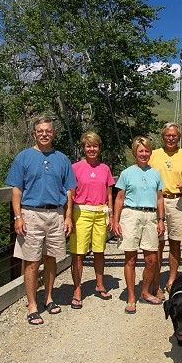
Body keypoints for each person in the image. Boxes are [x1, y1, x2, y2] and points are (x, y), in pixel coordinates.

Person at [6, 116, 77, 325]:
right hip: (31, 214)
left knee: (51, 259)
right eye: (40, 131)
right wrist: (18, 216)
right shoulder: (23, 157)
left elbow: (70, 190)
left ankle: (48, 298)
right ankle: (32, 305)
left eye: (48, 130)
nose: (44, 134)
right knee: (31, 261)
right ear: (34, 134)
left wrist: (68, 216)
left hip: (56, 214)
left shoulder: (62, 159)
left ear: (53, 133)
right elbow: (16, 189)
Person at [111, 136, 165, 314]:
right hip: (131, 214)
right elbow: (119, 198)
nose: (144, 154)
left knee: (152, 259)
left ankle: (145, 291)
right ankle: (131, 297)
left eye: (147, 151)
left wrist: (161, 220)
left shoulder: (155, 173)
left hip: (150, 215)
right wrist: (115, 220)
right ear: (135, 152)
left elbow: (159, 198)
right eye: (140, 151)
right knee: (131, 259)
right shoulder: (127, 173)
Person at [149, 122, 182, 299]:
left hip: (178, 202)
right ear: (162, 137)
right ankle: (155, 282)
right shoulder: (154, 155)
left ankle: (172, 279)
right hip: (158, 201)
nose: (171, 138)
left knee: (175, 242)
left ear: (179, 137)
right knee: (157, 243)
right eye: (167, 135)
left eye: (174, 135)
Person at [69, 131, 115, 309]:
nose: (92, 149)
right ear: (84, 148)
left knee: (99, 250)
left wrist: (111, 215)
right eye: (88, 146)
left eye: (95, 146)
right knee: (78, 253)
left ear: (99, 148)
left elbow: (109, 193)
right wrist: (68, 217)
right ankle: (77, 289)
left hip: (100, 211)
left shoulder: (105, 168)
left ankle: (100, 284)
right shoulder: (75, 168)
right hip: (81, 212)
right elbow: (70, 193)